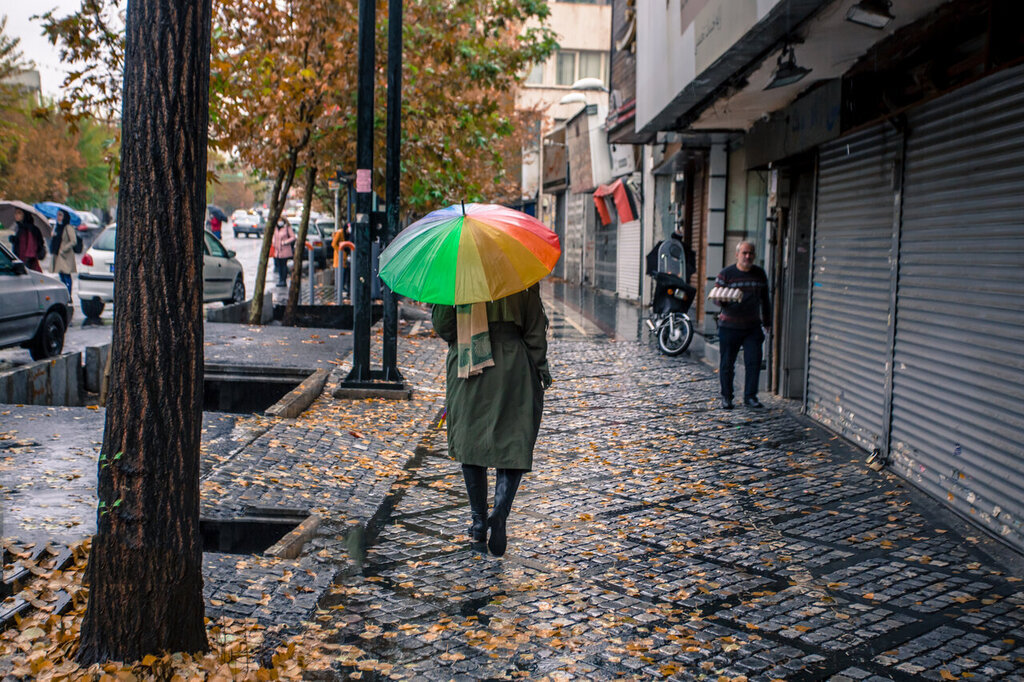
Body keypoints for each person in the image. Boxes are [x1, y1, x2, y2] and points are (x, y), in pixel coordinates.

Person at [431, 284, 551, 557]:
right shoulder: (519, 273)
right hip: (513, 365)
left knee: (470, 443)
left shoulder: (458, 274)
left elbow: (445, 327)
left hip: (469, 362)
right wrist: (540, 368)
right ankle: (500, 512)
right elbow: (535, 328)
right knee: (513, 441)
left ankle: (478, 525)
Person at [715, 241, 771, 410]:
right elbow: (716, 298)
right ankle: (727, 397)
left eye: (751, 253)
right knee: (727, 364)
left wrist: (767, 322)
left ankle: (750, 397)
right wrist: (726, 300)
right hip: (729, 327)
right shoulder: (726, 274)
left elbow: (765, 300)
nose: (748, 256)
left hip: (752, 327)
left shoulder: (759, 274)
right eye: (745, 253)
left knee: (753, 362)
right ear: (737, 254)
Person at [9, 208, 45, 272]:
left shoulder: (29, 229)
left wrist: (25, 264)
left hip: (28, 264)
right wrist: (14, 239)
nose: (16, 215)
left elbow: (31, 248)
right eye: (15, 213)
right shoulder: (20, 227)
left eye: (19, 213)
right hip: (21, 261)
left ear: (25, 215)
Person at [50, 209, 77, 294]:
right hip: (58, 254)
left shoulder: (68, 227)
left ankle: (68, 294)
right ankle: (65, 294)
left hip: (65, 255)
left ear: (65, 216)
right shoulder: (57, 227)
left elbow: (73, 241)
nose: (58, 217)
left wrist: (64, 249)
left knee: (66, 275)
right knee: (61, 276)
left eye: (60, 215)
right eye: (57, 215)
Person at [271, 218, 296, 287]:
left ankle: (283, 280)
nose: (279, 222)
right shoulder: (276, 228)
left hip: (285, 249)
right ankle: (280, 279)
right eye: (278, 220)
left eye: (280, 220)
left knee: (283, 265)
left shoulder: (287, 227)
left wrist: (285, 242)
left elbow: (293, 237)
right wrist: (274, 243)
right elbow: (274, 236)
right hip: (277, 250)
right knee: (279, 265)